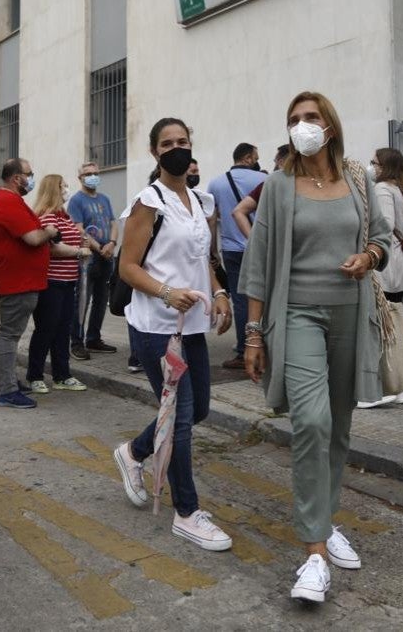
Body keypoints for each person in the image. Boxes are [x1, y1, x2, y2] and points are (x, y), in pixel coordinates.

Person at [242, 92, 391, 603]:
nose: (301, 126)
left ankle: (324, 522)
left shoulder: (357, 179)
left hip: (351, 313)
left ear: (330, 124)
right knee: (312, 422)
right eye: (293, 120)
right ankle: (314, 554)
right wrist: (254, 333)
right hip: (298, 314)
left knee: (340, 426)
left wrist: (368, 256)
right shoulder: (279, 186)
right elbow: (259, 263)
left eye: (310, 117)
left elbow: (385, 239)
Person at [111, 116, 234, 553]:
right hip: (156, 328)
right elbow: (128, 266)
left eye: (183, 141)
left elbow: (207, 259)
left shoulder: (203, 202)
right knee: (181, 420)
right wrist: (166, 292)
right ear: (155, 152)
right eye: (167, 143)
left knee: (197, 409)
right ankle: (187, 512)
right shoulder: (149, 201)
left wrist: (219, 293)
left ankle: (134, 452)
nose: (176, 148)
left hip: (194, 326)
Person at [0, 158, 57, 409]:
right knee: (9, 335)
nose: (32, 177)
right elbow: (34, 238)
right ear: (17, 178)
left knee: (12, 335)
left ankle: (10, 381)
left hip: (23, 280)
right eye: (29, 173)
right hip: (16, 282)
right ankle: (6, 390)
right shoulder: (6, 201)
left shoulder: (13, 202)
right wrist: (49, 230)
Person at [357, 147, 403, 408]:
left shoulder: (383, 190)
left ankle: (385, 386)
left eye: (374, 162)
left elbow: (384, 227)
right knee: (395, 324)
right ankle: (399, 386)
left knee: (383, 326)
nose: (371, 167)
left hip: (388, 266)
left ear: (386, 166)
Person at [26, 175, 93, 394]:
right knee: (46, 329)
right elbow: (52, 248)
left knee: (64, 330)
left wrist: (82, 241)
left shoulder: (65, 216)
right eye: (63, 186)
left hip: (69, 281)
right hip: (51, 282)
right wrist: (78, 251)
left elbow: (71, 240)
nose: (66, 190)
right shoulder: (47, 217)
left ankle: (62, 375)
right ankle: (35, 375)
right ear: (54, 190)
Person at [209, 143, 268, 369]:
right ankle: (267, 345)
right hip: (261, 247)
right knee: (266, 296)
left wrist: (213, 250)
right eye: (256, 156)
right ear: (247, 158)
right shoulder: (264, 180)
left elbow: (212, 218)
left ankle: (244, 348)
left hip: (232, 249)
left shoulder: (215, 183)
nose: (257, 161)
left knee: (241, 299)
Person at [68, 161, 118, 360]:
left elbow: (113, 222)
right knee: (82, 300)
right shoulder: (76, 200)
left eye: (95, 173)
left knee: (101, 300)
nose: (92, 176)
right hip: (89, 258)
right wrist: (99, 247)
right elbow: (79, 230)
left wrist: (112, 243)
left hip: (107, 254)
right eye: (88, 173)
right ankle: (77, 342)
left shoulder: (104, 199)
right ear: (80, 178)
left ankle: (94, 338)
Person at [231, 144, 289, 237]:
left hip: (232, 244)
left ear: (281, 163)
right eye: (256, 159)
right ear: (247, 158)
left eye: (275, 162)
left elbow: (237, 211)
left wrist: (254, 243)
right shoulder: (267, 181)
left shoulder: (215, 183)